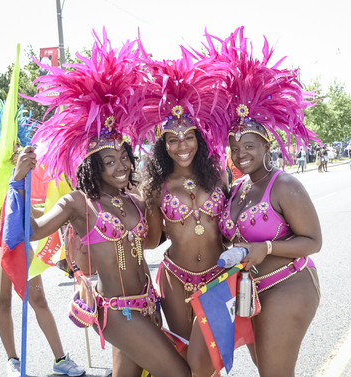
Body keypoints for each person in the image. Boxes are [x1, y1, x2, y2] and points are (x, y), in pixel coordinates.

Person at [22, 31, 192, 377]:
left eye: (124, 158)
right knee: (179, 373)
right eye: (110, 161)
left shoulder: (133, 199)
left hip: (148, 304)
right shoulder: (78, 203)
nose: (122, 166)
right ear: (92, 166)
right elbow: (33, 230)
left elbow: (151, 240)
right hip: (118, 312)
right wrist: (19, 185)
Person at [207, 28, 321, 377]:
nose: (242, 154)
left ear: (266, 146)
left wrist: (267, 248)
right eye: (235, 147)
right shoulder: (238, 188)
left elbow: (314, 242)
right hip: (249, 291)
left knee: (274, 373)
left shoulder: (283, 184)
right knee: (267, 368)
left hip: (289, 284)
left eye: (250, 146)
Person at [0, 98, 84, 377]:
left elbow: (30, 212)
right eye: (10, 146)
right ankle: (12, 361)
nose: (15, 151)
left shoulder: (22, 178)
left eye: (18, 146)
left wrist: (66, 211)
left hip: (19, 245)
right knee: (3, 304)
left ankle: (60, 359)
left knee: (39, 300)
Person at [139, 48, 230, 377]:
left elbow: (233, 225)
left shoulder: (219, 175)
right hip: (176, 279)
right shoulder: (156, 186)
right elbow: (149, 242)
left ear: (199, 140)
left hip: (220, 277)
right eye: (173, 139)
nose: (182, 145)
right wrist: (119, 228)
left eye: (189, 137)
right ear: (163, 145)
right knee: (186, 358)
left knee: (210, 359)